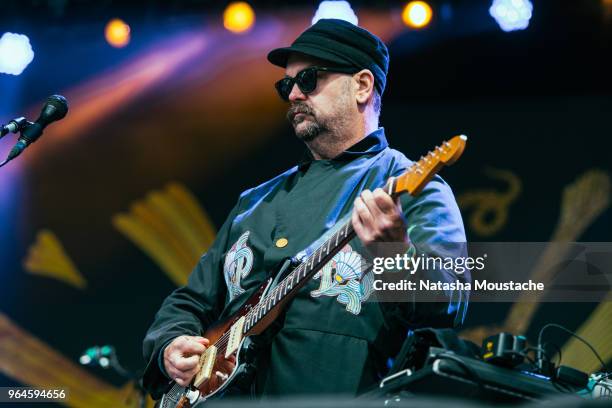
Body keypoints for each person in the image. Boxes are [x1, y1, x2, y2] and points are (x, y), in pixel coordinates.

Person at [142, 18, 468, 399]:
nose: (294, 93)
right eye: (287, 84)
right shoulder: (255, 202)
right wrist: (169, 344)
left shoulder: (411, 184)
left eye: (310, 79)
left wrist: (395, 254)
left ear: (362, 85)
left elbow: (450, 300)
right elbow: (189, 301)